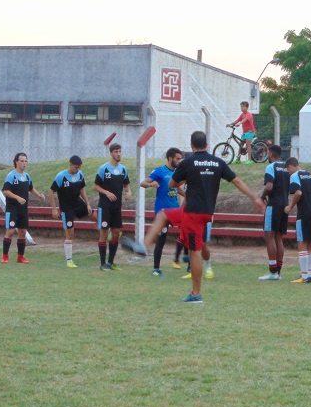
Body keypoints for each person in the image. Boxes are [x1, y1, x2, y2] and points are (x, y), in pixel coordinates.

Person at [171, 130, 265, 303]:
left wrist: (188, 178)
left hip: (192, 212)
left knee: (195, 252)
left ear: (191, 145)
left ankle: (196, 293)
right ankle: (198, 284)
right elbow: (236, 181)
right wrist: (254, 197)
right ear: (207, 145)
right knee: (198, 247)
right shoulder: (218, 162)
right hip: (208, 211)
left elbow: (172, 184)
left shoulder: (188, 162)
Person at [140, 147, 184, 276]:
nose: (179, 161)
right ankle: (156, 269)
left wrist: (186, 195)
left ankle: (184, 264)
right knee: (162, 237)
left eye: (180, 159)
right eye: (177, 158)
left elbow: (177, 188)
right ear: (170, 158)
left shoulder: (177, 172)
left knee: (187, 233)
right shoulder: (159, 171)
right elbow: (143, 183)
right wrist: (150, 184)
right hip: (162, 211)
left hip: (175, 209)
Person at [284, 157, 311, 284]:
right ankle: (310, 275)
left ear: (291, 166)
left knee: (301, 242)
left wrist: (290, 207)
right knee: (310, 243)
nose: (289, 173)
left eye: (288, 170)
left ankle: (304, 276)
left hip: (304, 213)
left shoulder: (295, 176)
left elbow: (298, 193)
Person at [50, 155, 95, 268]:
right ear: (70, 164)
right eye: (76, 167)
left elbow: (82, 189)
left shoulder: (80, 174)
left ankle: (105, 230)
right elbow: (51, 191)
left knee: (93, 214)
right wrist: (54, 209)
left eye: (79, 167)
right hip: (66, 208)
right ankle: (69, 261)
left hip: (78, 203)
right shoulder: (61, 176)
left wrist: (88, 204)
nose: (78, 169)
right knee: (70, 232)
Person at [1, 152, 47, 263]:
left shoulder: (26, 176)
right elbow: (5, 191)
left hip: (23, 209)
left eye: (26, 161)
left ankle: (20, 257)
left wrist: (39, 195)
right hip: (12, 209)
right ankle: (5, 256)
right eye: (22, 161)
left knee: (22, 232)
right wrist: (17, 198)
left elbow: (31, 188)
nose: (24, 163)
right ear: (16, 162)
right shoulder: (11, 175)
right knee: (10, 231)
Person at [95, 142, 133, 271]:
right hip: (104, 206)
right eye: (116, 152)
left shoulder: (123, 169)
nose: (118, 154)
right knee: (104, 233)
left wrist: (128, 192)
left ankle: (111, 262)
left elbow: (127, 184)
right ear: (111, 153)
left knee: (116, 233)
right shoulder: (103, 169)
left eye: (120, 151)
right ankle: (102, 263)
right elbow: (95, 186)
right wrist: (106, 192)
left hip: (117, 207)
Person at [259, 144, 289, 281]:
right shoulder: (287, 168)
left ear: (271, 155)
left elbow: (269, 186)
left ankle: (272, 271)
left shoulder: (271, 167)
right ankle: (278, 272)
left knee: (269, 236)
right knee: (278, 237)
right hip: (285, 205)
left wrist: (262, 195)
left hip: (274, 205)